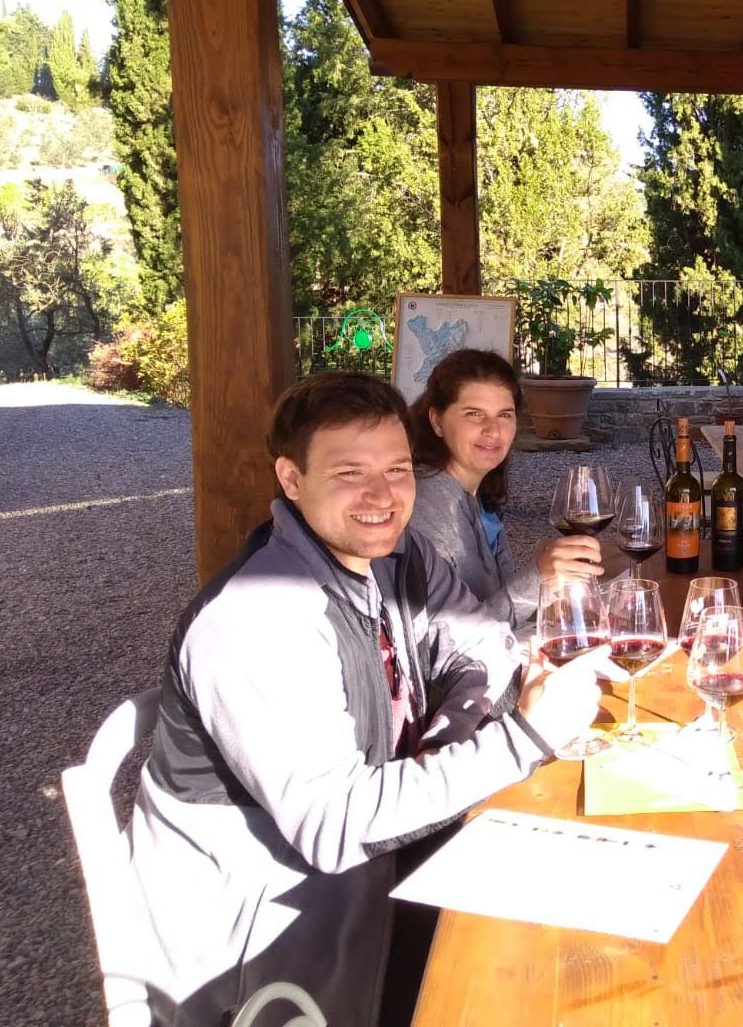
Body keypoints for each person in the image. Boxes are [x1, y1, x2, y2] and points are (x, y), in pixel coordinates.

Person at [129, 371, 606, 1027]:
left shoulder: (396, 555)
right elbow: (335, 828)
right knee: (532, 978)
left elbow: (485, 644)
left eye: (398, 469)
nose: (382, 496)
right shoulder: (259, 617)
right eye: (350, 473)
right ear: (292, 479)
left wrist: (446, 741)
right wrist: (521, 738)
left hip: (377, 877)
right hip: (268, 956)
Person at [407, 349, 602, 631]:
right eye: (474, 414)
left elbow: (500, 601)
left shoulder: (480, 493)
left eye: (504, 415)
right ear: (437, 421)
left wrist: (552, 589)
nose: (493, 430)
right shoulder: (427, 504)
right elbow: (446, 636)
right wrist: (539, 578)